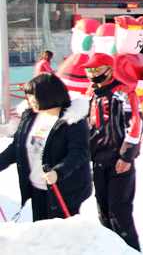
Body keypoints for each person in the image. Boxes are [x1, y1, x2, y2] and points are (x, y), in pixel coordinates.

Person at [0, 74, 92, 221]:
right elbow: (16, 147)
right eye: (28, 96)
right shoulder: (30, 116)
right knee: (41, 231)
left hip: (63, 190)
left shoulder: (72, 119)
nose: (30, 101)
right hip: (37, 186)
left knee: (61, 236)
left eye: (33, 96)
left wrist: (58, 172)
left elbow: (79, 153)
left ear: (49, 95)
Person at [84, 52, 143, 251]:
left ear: (109, 70)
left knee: (119, 212)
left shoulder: (122, 92)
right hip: (97, 160)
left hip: (118, 161)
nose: (93, 74)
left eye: (97, 70)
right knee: (103, 213)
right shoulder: (90, 93)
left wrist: (127, 155)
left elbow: (135, 124)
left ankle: (131, 250)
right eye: (89, 70)